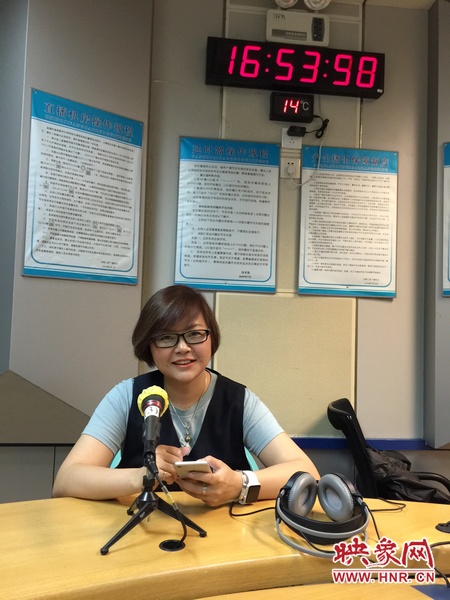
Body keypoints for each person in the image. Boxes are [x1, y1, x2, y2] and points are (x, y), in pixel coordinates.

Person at [53, 285, 320, 506]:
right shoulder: (126, 396)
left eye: (194, 334)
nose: (182, 347)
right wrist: (142, 476)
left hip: (223, 539)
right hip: (140, 533)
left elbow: (307, 473)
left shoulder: (239, 401)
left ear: (211, 338)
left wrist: (239, 484)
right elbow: (66, 481)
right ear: (149, 345)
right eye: (166, 337)